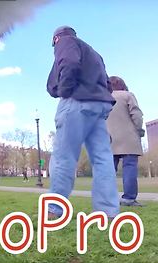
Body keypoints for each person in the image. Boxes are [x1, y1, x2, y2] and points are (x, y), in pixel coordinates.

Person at [46, 26, 119, 218]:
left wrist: (65, 91)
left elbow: (68, 63)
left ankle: (55, 209)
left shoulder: (66, 42)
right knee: (103, 159)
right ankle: (107, 211)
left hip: (77, 102)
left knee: (64, 156)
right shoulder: (94, 53)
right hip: (99, 105)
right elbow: (107, 83)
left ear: (55, 39)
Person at [106, 76, 145, 207]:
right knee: (129, 168)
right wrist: (139, 130)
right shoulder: (127, 95)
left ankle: (107, 197)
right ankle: (128, 198)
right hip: (129, 138)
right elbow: (137, 115)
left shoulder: (103, 97)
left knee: (108, 170)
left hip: (108, 139)